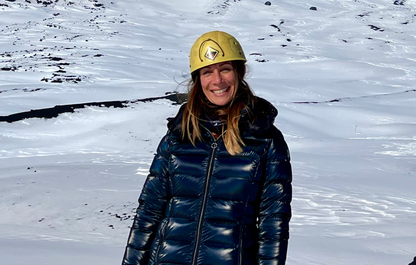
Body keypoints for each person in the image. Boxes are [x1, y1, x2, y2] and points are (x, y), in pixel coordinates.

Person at [122, 30, 293, 265]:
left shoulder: (264, 139)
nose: (217, 80)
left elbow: (273, 225)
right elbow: (148, 212)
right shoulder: (177, 136)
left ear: (239, 72)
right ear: (198, 79)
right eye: (207, 72)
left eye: (225, 69)